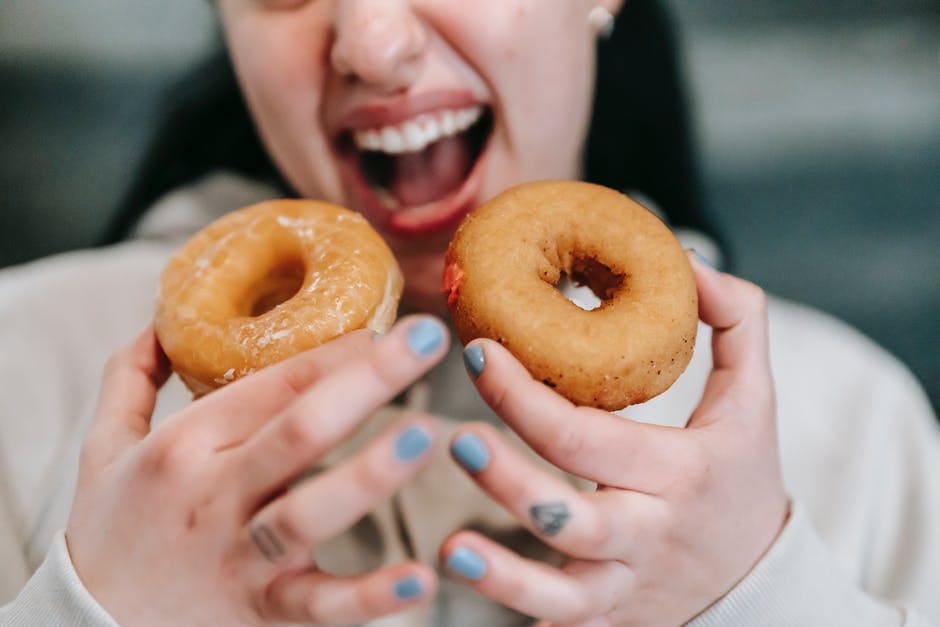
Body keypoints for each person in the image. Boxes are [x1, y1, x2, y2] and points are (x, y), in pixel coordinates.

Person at [1, 1, 938, 625]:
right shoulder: (26, 370)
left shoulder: (852, 428)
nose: (372, 41)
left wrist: (761, 598)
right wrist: (92, 611)